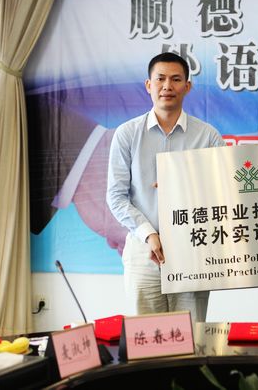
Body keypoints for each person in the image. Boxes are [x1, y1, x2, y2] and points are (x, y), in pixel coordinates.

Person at [106, 52, 225, 321]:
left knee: (191, 333)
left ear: (187, 86)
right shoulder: (127, 134)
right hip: (143, 250)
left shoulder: (208, 136)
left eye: (176, 79)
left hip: (193, 249)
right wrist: (149, 234)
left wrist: (186, 183)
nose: (167, 86)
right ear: (149, 85)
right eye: (160, 79)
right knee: (148, 336)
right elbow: (116, 196)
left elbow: (223, 191)